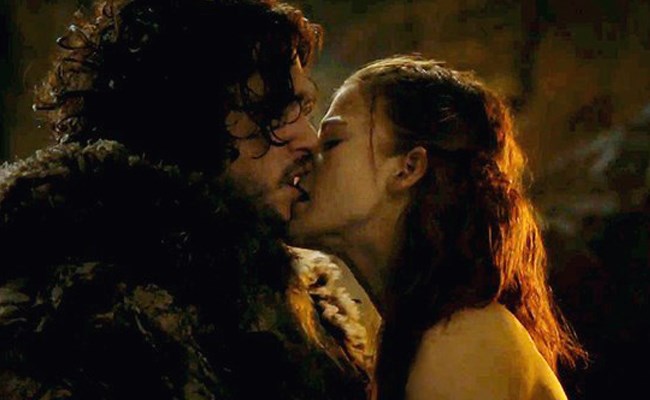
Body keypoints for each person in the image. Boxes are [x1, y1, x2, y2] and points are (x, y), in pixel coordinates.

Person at [0, 1, 371, 399]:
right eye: (274, 112)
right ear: (188, 118)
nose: (310, 140)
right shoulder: (76, 318)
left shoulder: (289, 303)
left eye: (302, 110)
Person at [289, 55, 588, 400]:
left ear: (407, 168)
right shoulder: (444, 332)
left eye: (332, 141)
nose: (307, 155)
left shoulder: (462, 344)